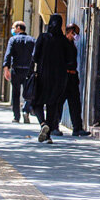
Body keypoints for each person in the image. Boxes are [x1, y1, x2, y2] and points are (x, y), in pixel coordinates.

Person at [30, 14, 69, 144]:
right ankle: (48, 134)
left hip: (43, 75)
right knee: (52, 104)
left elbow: (35, 56)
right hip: (58, 78)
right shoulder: (63, 40)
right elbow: (70, 59)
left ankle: (43, 124)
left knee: (37, 102)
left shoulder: (43, 37)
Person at [52, 23, 90, 137]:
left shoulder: (72, 44)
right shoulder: (62, 43)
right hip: (64, 76)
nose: (76, 36)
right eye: (75, 33)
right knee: (59, 103)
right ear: (70, 32)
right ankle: (54, 126)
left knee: (75, 104)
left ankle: (77, 128)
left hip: (72, 77)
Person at [2, 20, 35, 124]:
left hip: (16, 70)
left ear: (18, 28)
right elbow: (35, 56)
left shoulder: (13, 40)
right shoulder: (32, 40)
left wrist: (6, 68)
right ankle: (26, 110)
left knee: (15, 94)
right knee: (28, 93)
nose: (12, 29)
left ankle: (16, 117)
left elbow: (8, 54)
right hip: (28, 71)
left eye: (13, 27)